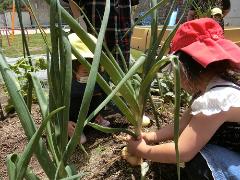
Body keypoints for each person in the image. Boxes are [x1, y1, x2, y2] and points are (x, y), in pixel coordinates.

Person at [126, 18, 240, 179]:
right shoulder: (207, 91)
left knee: (196, 159)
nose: (174, 77)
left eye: (174, 70)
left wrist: (142, 150)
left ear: (185, 68)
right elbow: (182, 126)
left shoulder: (217, 99)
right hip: (230, 151)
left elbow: (182, 151)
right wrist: (150, 137)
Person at [68, 33, 110, 144]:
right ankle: (72, 128)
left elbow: (105, 94)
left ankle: (95, 119)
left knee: (97, 95)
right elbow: (55, 105)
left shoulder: (99, 77)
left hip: (90, 113)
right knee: (81, 140)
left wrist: (99, 112)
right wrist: (65, 122)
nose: (90, 75)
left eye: (93, 69)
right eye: (85, 72)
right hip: (72, 117)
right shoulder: (65, 83)